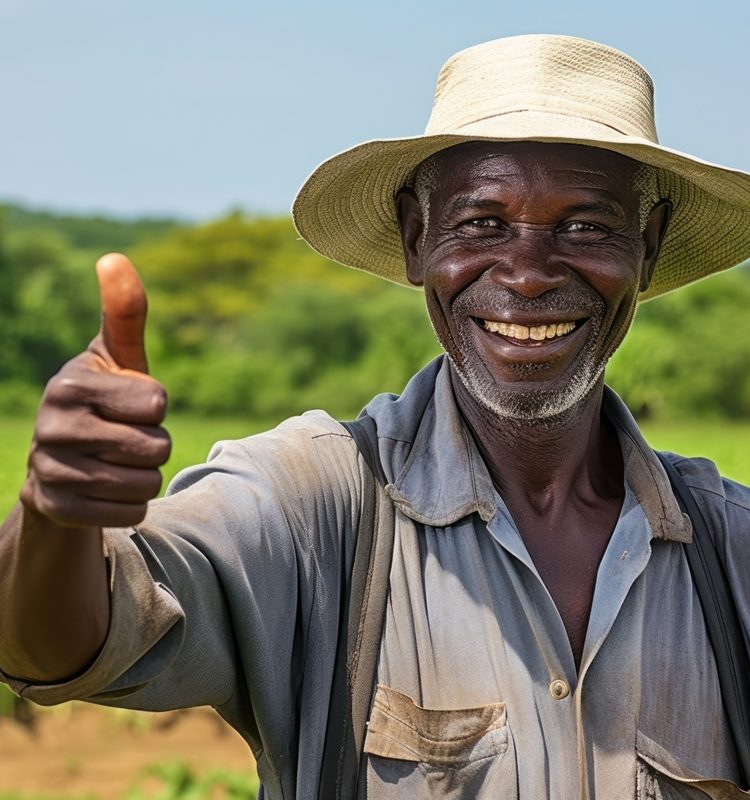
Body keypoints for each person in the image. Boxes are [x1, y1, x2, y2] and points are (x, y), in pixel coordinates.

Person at [1, 33, 750, 800]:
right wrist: (52, 515)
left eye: (585, 226)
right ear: (416, 238)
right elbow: (57, 649)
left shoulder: (732, 551)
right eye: (482, 224)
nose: (528, 275)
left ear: (647, 246)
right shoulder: (314, 504)